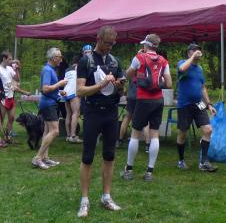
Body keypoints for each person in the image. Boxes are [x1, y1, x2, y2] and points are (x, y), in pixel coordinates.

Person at [75, 25, 126, 218]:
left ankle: (106, 196)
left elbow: (122, 91)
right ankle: (84, 200)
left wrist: (120, 86)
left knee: (109, 155)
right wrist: (101, 84)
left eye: (112, 44)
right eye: (107, 43)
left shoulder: (115, 61)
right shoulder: (86, 61)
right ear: (98, 39)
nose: (109, 47)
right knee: (87, 157)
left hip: (111, 113)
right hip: (93, 112)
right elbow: (80, 91)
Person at [121, 34, 171, 182]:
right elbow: (169, 84)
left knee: (135, 134)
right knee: (154, 134)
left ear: (146, 45)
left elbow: (128, 74)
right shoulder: (163, 61)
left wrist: (137, 68)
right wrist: (158, 83)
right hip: (158, 100)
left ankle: (129, 169)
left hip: (142, 100)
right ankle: (149, 172)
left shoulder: (139, 57)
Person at [175, 42, 217, 172]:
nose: (198, 52)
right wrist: (193, 57)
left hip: (199, 104)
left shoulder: (200, 69)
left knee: (208, 130)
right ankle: (181, 160)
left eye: (199, 50)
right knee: (182, 133)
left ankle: (203, 162)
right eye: (194, 50)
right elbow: (182, 69)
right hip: (184, 104)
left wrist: (209, 104)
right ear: (189, 53)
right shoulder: (182, 63)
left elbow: (203, 87)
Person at [33, 47, 68, 169]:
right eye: (60, 57)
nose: (61, 60)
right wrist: (60, 84)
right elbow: (45, 88)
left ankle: (45, 158)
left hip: (50, 102)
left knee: (47, 131)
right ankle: (38, 158)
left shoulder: (51, 69)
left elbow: (50, 88)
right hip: (48, 104)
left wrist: (59, 91)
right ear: (54, 58)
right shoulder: (47, 70)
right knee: (55, 131)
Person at [0, 51, 29, 148]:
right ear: (4, 59)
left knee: (12, 118)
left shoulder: (9, 68)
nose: (11, 61)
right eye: (9, 59)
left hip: (11, 96)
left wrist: (17, 70)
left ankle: (7, 137)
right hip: (3, 97)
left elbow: (17, 79)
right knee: (0, 119)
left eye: (11, 59)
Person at [62, 54, 81, 143]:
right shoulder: (78, 68)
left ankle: (68, 135)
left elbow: (65, 81)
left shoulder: (67, 70)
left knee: (68, 114)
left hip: (66, 92)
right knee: (75, 113)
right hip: (74, 92)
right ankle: (73, 136)